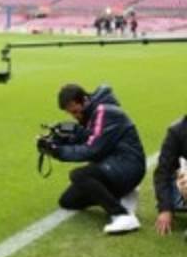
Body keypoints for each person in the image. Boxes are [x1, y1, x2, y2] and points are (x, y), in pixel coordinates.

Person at [46, 84, 146, 234]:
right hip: (113, 164)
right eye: (70, 113)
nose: (74, 116)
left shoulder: (104, 112)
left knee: (79, 175)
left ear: (84, 101)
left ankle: (122, 215)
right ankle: (123, 193)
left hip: (129, 166)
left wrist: (58, 151)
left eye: (75, 111)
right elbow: (89, 136)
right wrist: (59, 140)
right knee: (68, 201)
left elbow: (92, 150)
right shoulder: (93, 112)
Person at [153, 114, 187, 236]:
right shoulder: (177, 131)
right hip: (182, 187)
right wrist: (165, 208)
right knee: (184, 180)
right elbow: (163, 171)